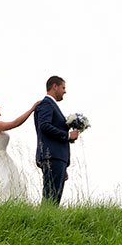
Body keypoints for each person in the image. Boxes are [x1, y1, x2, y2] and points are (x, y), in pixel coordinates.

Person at [33, 75, 80, 205]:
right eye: (63, 87)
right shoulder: (46, 104)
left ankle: (48, 222)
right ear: (55, 86)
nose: (65, 91)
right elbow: (44, 126)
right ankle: (44, 222)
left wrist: (64, 165)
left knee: (55, 197)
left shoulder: (52, 105)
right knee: (50, 196)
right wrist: (68, 136)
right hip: (51, 155)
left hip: (58, 157)